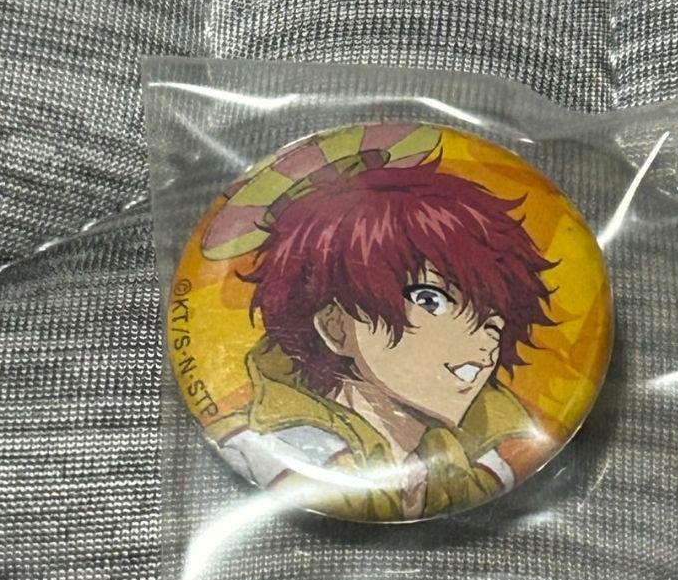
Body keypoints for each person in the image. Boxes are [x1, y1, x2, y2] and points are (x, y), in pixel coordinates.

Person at [207, 156, 557, 521]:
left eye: (492, 323)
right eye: (430, 300)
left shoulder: (489, 463)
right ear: (335, 325)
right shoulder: (260, 448)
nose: (484, 346)